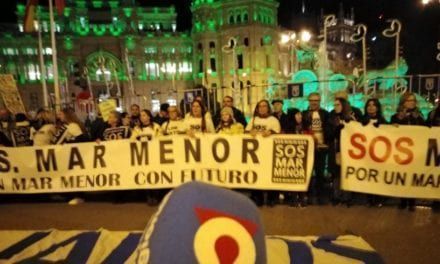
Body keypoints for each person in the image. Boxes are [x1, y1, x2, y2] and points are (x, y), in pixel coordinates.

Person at [391, 92, 425, 211]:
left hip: (415, 152)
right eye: (409, 100)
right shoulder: (396, 116)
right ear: (403, 102)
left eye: (413, 101)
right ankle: (402, 201)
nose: (412, 103)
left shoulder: (419, 115)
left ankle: (412, 202)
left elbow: (425, 130)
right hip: (401, 152)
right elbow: (391, 130)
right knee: (402, 177)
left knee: (412, 177)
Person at [245, 99, 281, 207]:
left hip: (269, 153)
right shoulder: (253, 120)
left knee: (269, 175)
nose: (262, 108)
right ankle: (258, 198)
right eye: (260, 106)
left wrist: (271, 132)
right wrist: (250, 132)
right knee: (257, 175)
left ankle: (272, 198)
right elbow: (245, 132)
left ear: (268, 108)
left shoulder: (273, 120)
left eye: (264, 106)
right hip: (255, 153)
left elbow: (279, 133)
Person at [302, 92, 331, 205]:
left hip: (322, 147)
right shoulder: (304, 114)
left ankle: (321, 196)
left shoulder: (326, 114)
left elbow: (328, 129)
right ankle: (308, 196)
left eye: (316, 100)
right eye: (312, 100)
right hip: (308, 147)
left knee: (320, 172)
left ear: (319, 101)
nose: (314, 102)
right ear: (309, 101)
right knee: (308, 172)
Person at [328, 98, 356, 207]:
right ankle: (337, 196)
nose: (336, 107)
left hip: (349, 150)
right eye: (334, 104)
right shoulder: (332, 118)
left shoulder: (350, 117)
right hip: (336, 149)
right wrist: (337, 128)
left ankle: (347, 197)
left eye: (338, 104)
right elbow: (329, 135)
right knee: (337, 174)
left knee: (347, 173)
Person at [362, 98, 387, 207]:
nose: (371, 107)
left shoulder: (382, 120)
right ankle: (369, 199)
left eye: (373, 105)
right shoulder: (362, 120)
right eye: (369, 105)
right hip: (366, 152)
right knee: (368, 176)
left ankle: (378, 198)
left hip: (379, 152)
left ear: (377, 107)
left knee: (378, 176)